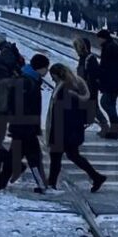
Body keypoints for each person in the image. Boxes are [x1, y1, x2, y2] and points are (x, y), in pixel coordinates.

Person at [45, 63, 107, 192]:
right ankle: (96, 177)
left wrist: (58, 133)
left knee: (57, 157)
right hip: (70, 130)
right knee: (72, 156)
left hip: (64, 131)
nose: (52, 79)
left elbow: (65, 114)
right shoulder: (70, 85)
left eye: (53, 76)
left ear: (58, 75)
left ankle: (51, 183)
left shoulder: (66, 89)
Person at [5, 54, 50, 193]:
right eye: (46, 68)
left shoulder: (30, 79)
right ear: (40, 68)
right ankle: (41, 184)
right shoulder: (26, 81)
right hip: (25, 127)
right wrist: (29, 126)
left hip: (24, 126)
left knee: (15, 156)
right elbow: (20, 107)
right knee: (33, 156)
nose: (47, 71)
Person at [96, 28, 118, 137]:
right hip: (116, 81)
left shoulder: (109, 48)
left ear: (103, 38)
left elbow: (106, 67)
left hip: (113, 82)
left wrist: (100, 77)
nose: (98, 41)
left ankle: (117, 126)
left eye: (99, 38)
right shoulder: (111, 46)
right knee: (109, 104)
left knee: (105, 102)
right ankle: (115, 128)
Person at [73, 37, 109, 134]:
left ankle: (104, 126)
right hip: (85, 87)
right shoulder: (83, 58)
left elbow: (94, 75)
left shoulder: (89, 59)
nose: (76, 50)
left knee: (93, 107)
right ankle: (101, 126)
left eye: (77, 47)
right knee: (88, 107)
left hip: (90, 88)